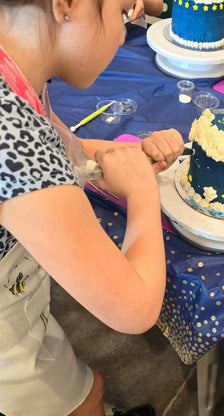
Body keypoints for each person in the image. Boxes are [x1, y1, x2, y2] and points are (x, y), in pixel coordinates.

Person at [0, 1, 184, 416]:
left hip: (20, 290)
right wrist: (141, 192)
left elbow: (64, 151)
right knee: (81, 398)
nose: (123, 34)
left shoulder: (15, 72)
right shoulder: (12, 139)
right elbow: (135, 308)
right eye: (121, 14)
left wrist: (124, 158)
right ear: (67, 6)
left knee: (87, 385)